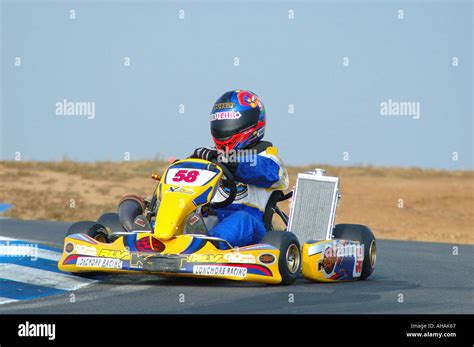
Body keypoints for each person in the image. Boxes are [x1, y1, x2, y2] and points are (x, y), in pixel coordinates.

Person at [190, 90, 288, 247]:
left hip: (252, 230)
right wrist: (191, 161)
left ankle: (206, 246)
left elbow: (265, 171)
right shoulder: (210, 155)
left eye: (230, 124)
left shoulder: (268, 157)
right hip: (207, 221)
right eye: (221, 125)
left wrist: (228, 160)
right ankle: (155, 236)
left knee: (241, 219)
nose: (224, 130)